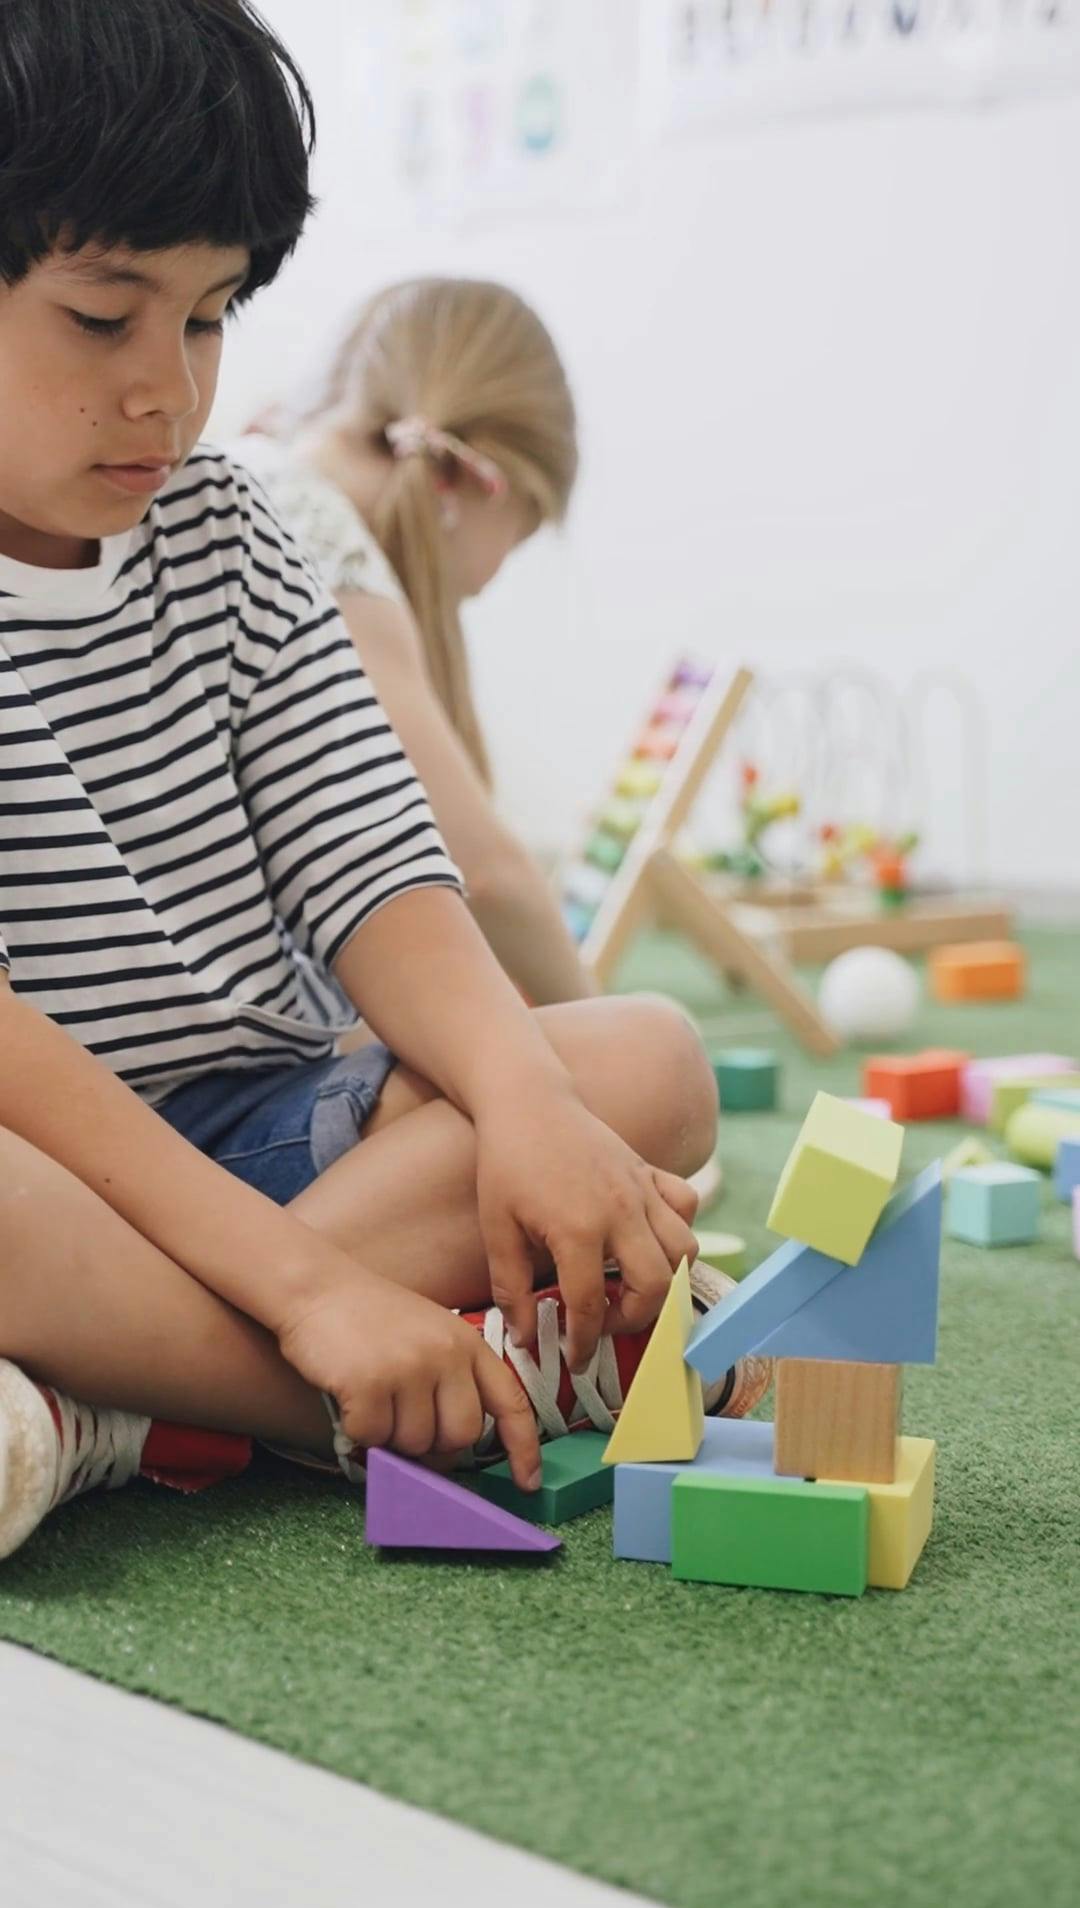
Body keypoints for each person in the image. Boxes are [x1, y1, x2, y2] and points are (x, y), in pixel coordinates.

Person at [0, 0, 767, 1561]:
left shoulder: (232, 536)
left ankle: (117, 1404)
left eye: (208, 317)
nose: (170, 390)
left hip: (280, 1125)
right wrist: (319, 1298)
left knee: (644, 1066)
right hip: (56, 1161)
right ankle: (290, 1394)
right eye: (104, 319)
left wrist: (527, 1102)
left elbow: (383, 878)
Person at [237, 275, 594, 1014]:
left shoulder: (247, 475)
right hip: (239, 1048)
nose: (489, 584)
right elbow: (484, 872)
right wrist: (592, 1016)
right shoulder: (324, 541)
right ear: (478, 484)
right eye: (521, 536)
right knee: (641, 1054)